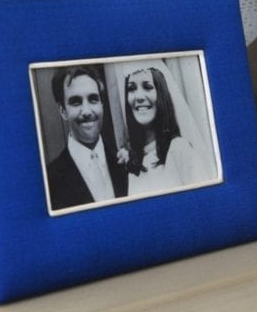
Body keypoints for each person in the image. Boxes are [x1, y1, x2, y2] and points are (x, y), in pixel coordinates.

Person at [119, 60, 216, 197]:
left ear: (161, 94)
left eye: (147, 87)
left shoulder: (179, 150)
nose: (139, 97)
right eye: (131, 88)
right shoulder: (133, 162)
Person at [46, 66, 128, 211]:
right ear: (63, 111)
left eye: (93, 99)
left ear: (102, 104)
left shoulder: (125, 164)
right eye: (76, 102)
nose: (87, 111)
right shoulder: (49, 180)